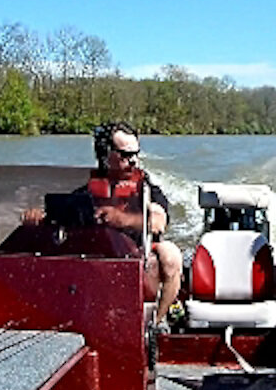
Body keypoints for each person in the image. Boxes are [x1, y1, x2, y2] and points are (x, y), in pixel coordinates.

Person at [22, 121, 183, 334]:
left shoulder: (146, 188)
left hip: (139, 257)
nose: (133, 160)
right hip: (96, 259)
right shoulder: (84, 194)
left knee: (171, 255)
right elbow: (58, 222)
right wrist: (37, 221)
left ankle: (156, 324)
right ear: (105, 154)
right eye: (125, 155)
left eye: (136, 154)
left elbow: (158, 221)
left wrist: (121, 219)